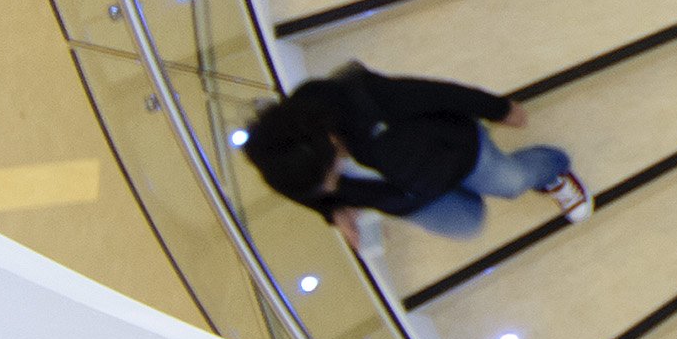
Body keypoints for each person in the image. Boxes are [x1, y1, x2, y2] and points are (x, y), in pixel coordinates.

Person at [241, 64, 589, 238]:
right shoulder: (282, 166)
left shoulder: (354, 98)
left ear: (329, 143)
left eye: (329, 177)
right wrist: (331, 213)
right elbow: (307, 192)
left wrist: (497, 109)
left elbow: (431, 93)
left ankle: (553, 169)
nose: (333, 188)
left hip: (453, 151)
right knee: (469, 225)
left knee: (511, 182)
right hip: (405, 193)